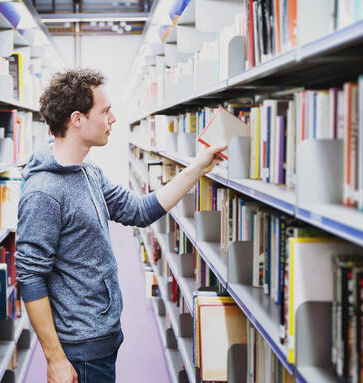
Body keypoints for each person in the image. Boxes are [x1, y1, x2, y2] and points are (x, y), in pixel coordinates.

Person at [15, 68, 227, 383]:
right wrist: (55, 358)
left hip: (101, 334)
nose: (113, 119)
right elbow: (30, 276)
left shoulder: (88, 171)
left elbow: (138, 210)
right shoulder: (44, 192)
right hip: (79, 347)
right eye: (105, 111)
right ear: (77, 119)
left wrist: (197, 167)